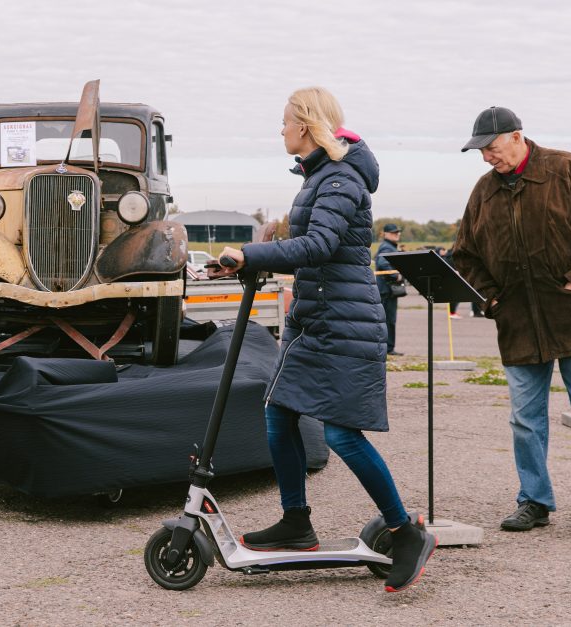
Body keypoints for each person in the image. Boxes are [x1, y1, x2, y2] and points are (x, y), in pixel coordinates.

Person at [209, 86, 436, 592]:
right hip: (317, 322)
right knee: (278, 414)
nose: (281, 130)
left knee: (341, 434)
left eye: (286, 122)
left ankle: (405, 533)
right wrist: (268, 241)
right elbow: (308, 237)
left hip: (345, 326)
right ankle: (296, 524)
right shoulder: (318, 178)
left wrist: (252, 254)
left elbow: (320, 245)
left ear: (307, 126)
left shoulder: (341, 177)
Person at [453, 106, 571, 539]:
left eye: (491, 148)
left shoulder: (567, 169)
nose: (487, 158)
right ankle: (534, 500)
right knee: (525, 419)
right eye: (481, 151)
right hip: (518, 324)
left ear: (516, 136)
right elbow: (465, 255)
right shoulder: (483, 192)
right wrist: (491, 297)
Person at [374, 223, 403, 355]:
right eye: (393, 232)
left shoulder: (389, 246)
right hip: (386, 290)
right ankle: (388, 348)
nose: (396, 234)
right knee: (388, 320)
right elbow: (382, 263)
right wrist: (396, 275)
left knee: (388, 320)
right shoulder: (387, 247)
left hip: (386, 290)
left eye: (397, 232)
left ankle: (387, 347)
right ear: (385, 234)